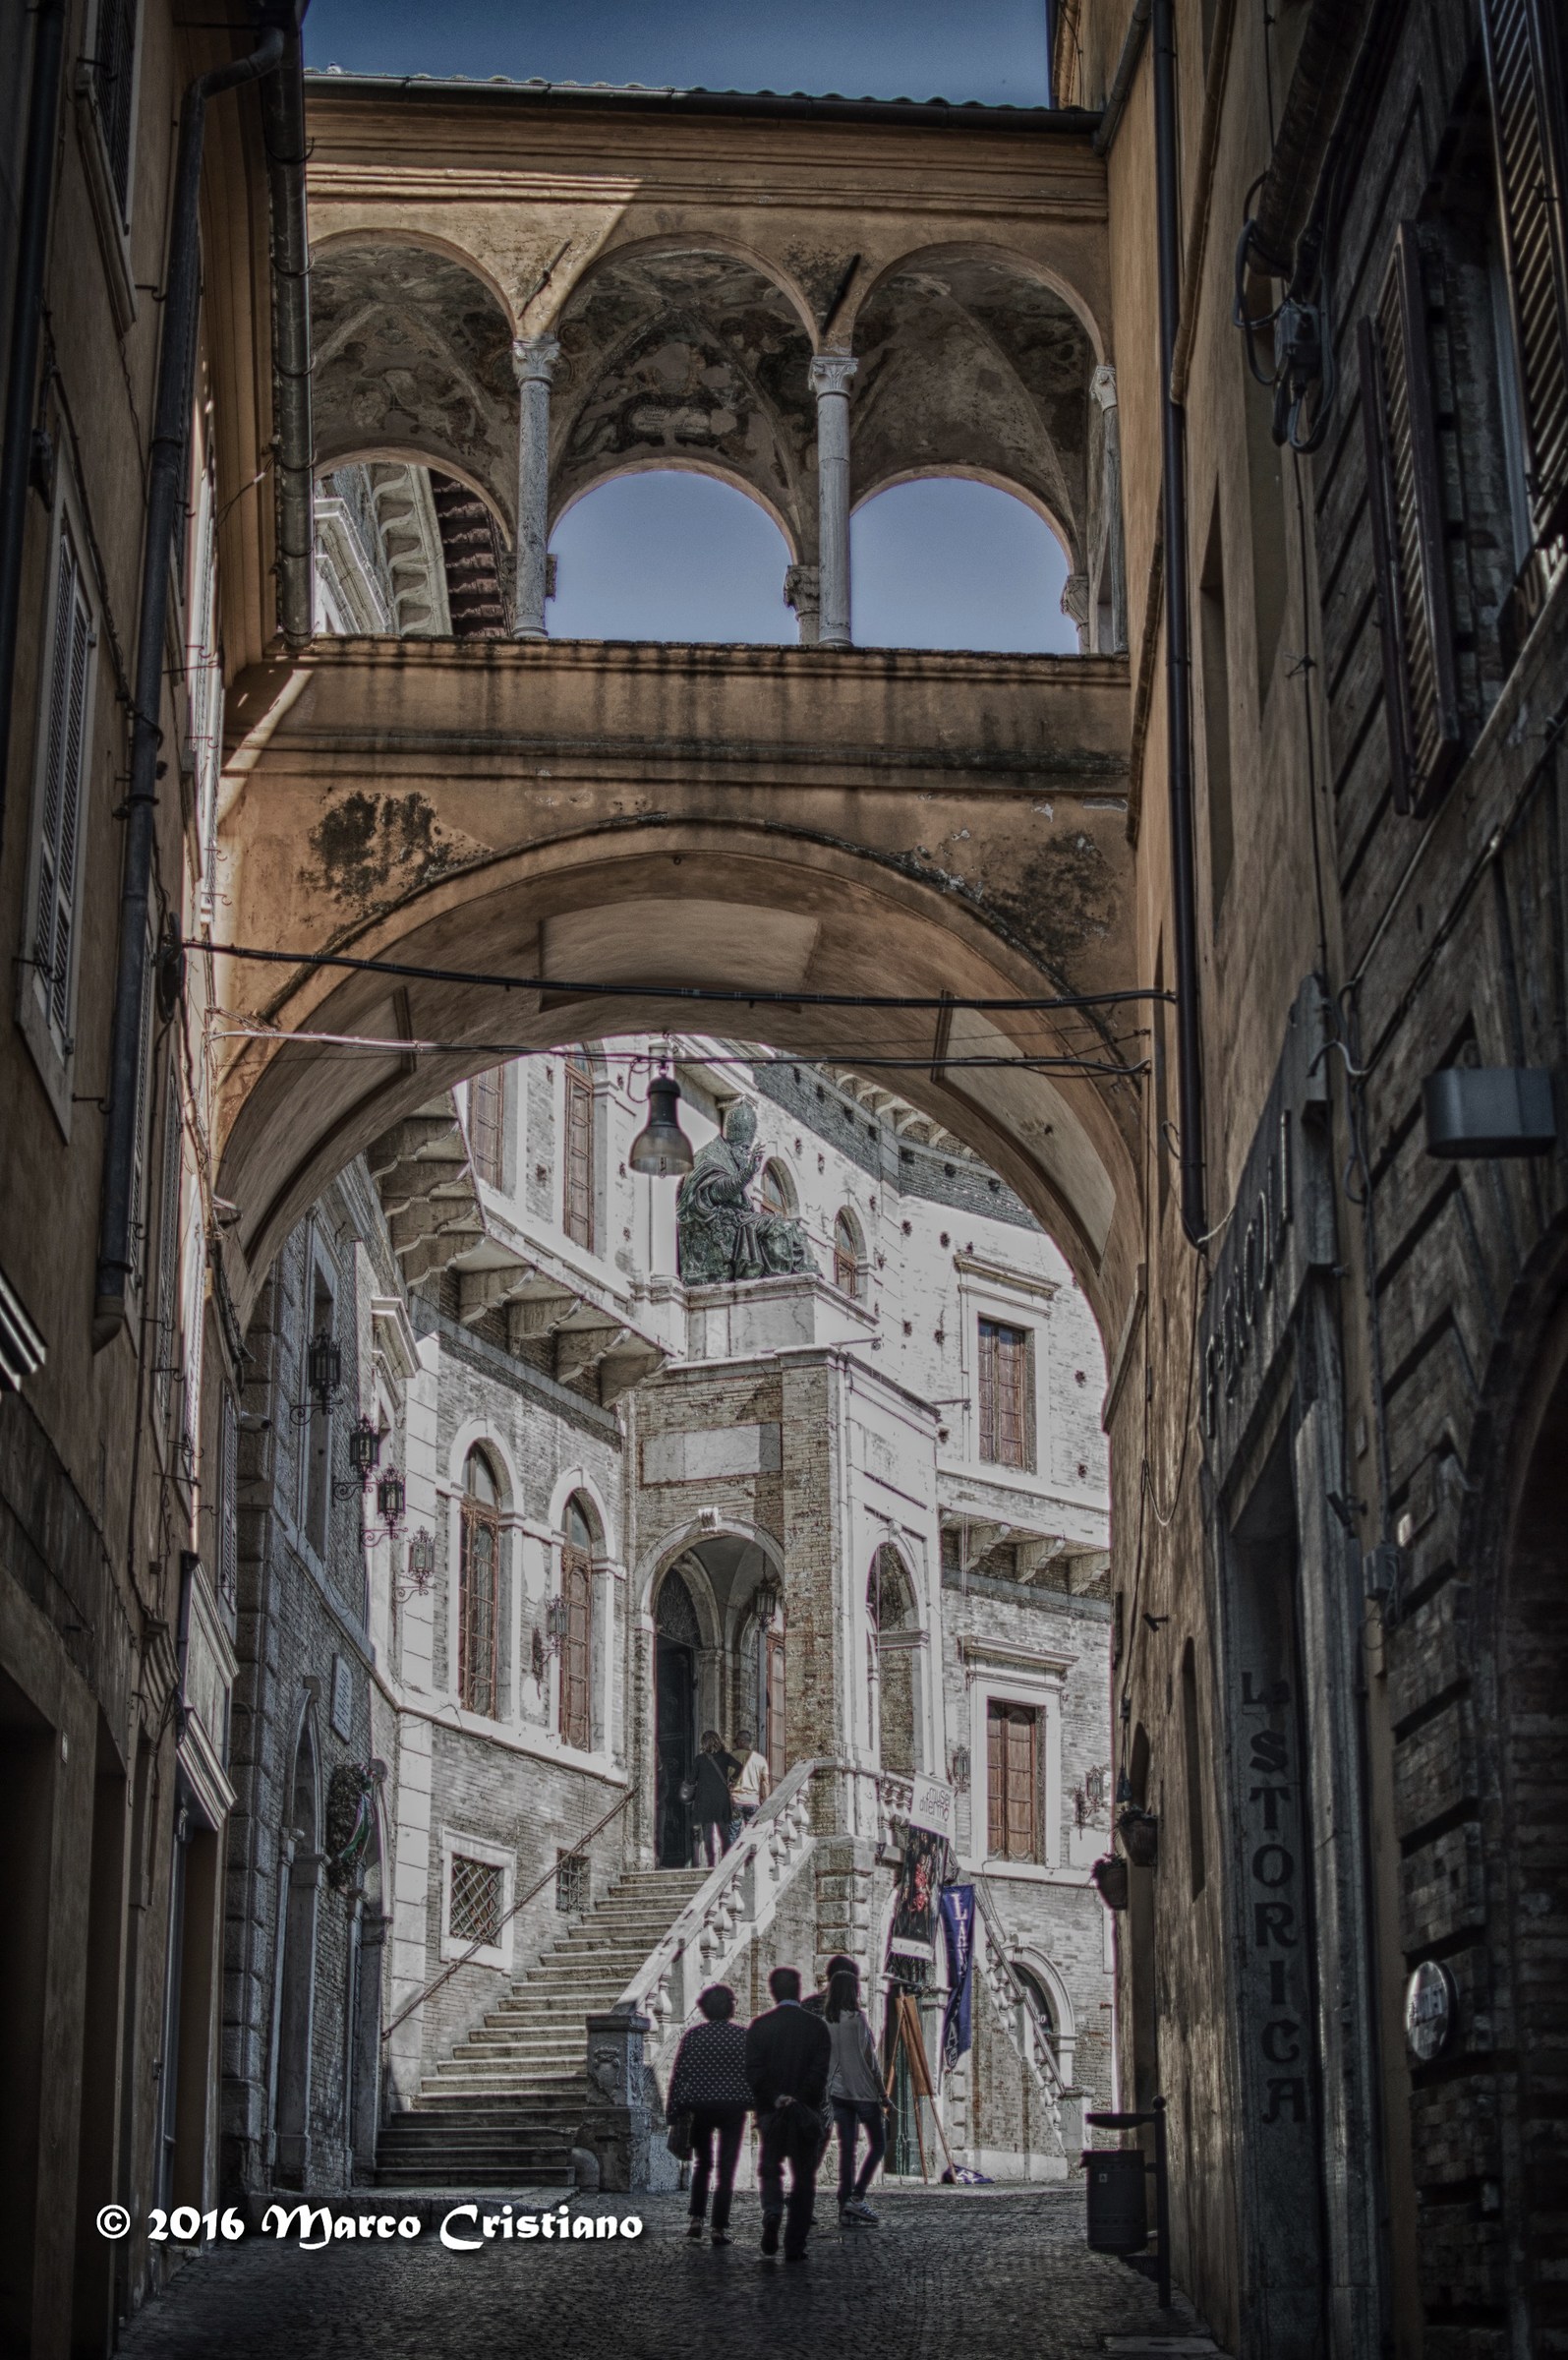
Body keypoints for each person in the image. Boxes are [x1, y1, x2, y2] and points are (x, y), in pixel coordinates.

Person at [744, 1966, 832, 2262]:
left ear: (772, 1991)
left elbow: (754, 2072)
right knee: (804, 2178)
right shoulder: (816, 2027)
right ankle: (795, 2245)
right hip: (805, 2111)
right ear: (798, 1989)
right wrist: (799, 2097)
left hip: (773, 2113)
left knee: (770, 2168)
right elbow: (820, 2072)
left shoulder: (759, 2026)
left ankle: (771, 2212)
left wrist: (776, 2097)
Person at [668, 1982, 753, 2247]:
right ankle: (718, 2228)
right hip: (733, 2108)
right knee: (726, 2169)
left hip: (701, 2108)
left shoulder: (694, 2036)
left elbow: (680, 2075)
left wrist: (674, 2110)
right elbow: (753, 2074)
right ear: (729, 2007)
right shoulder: (743, 2036)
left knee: (702, 2165)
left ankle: (696, 2220)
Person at [826, 1969, 890, 2224]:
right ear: (854, 1991)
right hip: (862, 2092)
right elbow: (871, 2061)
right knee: (879, 2144)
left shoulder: (826, 2021)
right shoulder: (858, 2020)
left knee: (847, 2151)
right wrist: (883, 2093)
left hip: (837, 2093)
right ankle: (857, 2197)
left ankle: (845, 2209)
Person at [691, 1731, 738, 1868]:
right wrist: (732, 1781)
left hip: (705, 1801)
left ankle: (711, 1863)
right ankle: (726, 1859)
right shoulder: (725, 1757)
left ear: (704, 1743)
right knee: (724, 1830)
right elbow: (739, 1767)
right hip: (721, 1800)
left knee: (708, 1833)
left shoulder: (700, 1759)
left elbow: (692, 1779)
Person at [731, 1729, 770, 1830]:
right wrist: (766, 1803)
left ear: (741, 1741)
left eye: (736, 1741)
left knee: (733, 1834)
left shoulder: (731, 1757)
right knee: (753, 1832)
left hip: (736, 1800)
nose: (736, 1744)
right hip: (753, 1801)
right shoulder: (760, 1759)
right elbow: (765, 1783)